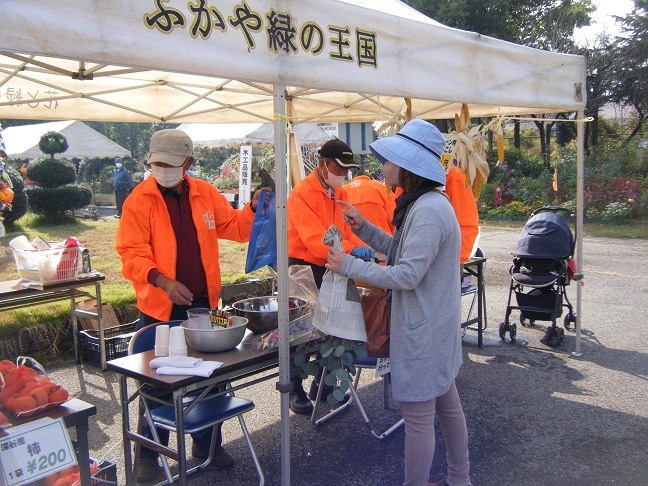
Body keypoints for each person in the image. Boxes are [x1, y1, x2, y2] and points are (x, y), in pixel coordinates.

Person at [325, 120, 471, 486]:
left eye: (389, 159)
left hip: (425, 332)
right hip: (434, 326)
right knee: (447, 406)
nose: (383, 166)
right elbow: (401, 252)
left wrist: (349, 264)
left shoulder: (427, 210)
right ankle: (459, 479)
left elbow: (406, 275)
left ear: (407, 166)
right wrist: (363, 229)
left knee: (420, 419)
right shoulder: (424, 204)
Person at [116, 129, 267, 482]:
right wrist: (163, 281)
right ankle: (149, 459)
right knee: (156, 383)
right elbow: (130, 252)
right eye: (156, 164)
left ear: (188, 163)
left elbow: (233, 227)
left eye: (169, 164)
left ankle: (207, 445)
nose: (161, 169)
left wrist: (253, 208)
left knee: (211, 375)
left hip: (204, 303)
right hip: (160, 308)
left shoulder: (205, 192)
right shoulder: (139, 199)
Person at [286, 138, 374, 415]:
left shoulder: (341, 194)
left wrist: (359, 248)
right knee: (301, 331)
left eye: (347, 170)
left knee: (334, 326)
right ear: (322, 164)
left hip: (336, 263)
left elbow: (346, 232)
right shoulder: (301, 194)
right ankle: (295, 389)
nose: (343, 175)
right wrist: (353, 250)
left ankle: (324, 385)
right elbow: (315, 242)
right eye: (339, 168)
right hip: (304, 267)